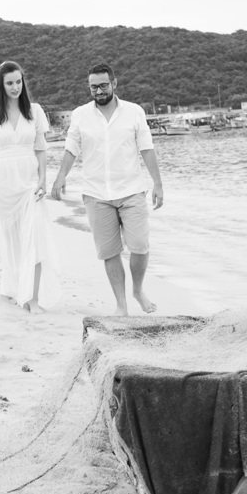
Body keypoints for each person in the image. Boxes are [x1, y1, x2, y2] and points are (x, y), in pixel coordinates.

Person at [50, 63, 164, 315]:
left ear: (115, 83)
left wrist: (157, 183)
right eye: (93, 86)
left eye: (103, 85)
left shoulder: (134, 112)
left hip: (132, 190)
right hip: (96, 194)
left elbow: (146, 147)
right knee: (110, 252)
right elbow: (71, 148)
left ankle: (138, 290)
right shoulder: (80, 114)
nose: (98, 91)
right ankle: (121, 304)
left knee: (140, 245)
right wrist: (60, 177)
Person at [0, 61, 62, 312]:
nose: (15, 87)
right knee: (12, 241)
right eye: (9, 83)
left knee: (35, 237)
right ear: (1, 85)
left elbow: (41, 148)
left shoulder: (35, 110)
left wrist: (43, 179)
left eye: (18, 82)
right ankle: (12, 287)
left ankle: (32, 298)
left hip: (30, 182)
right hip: (2, 183)